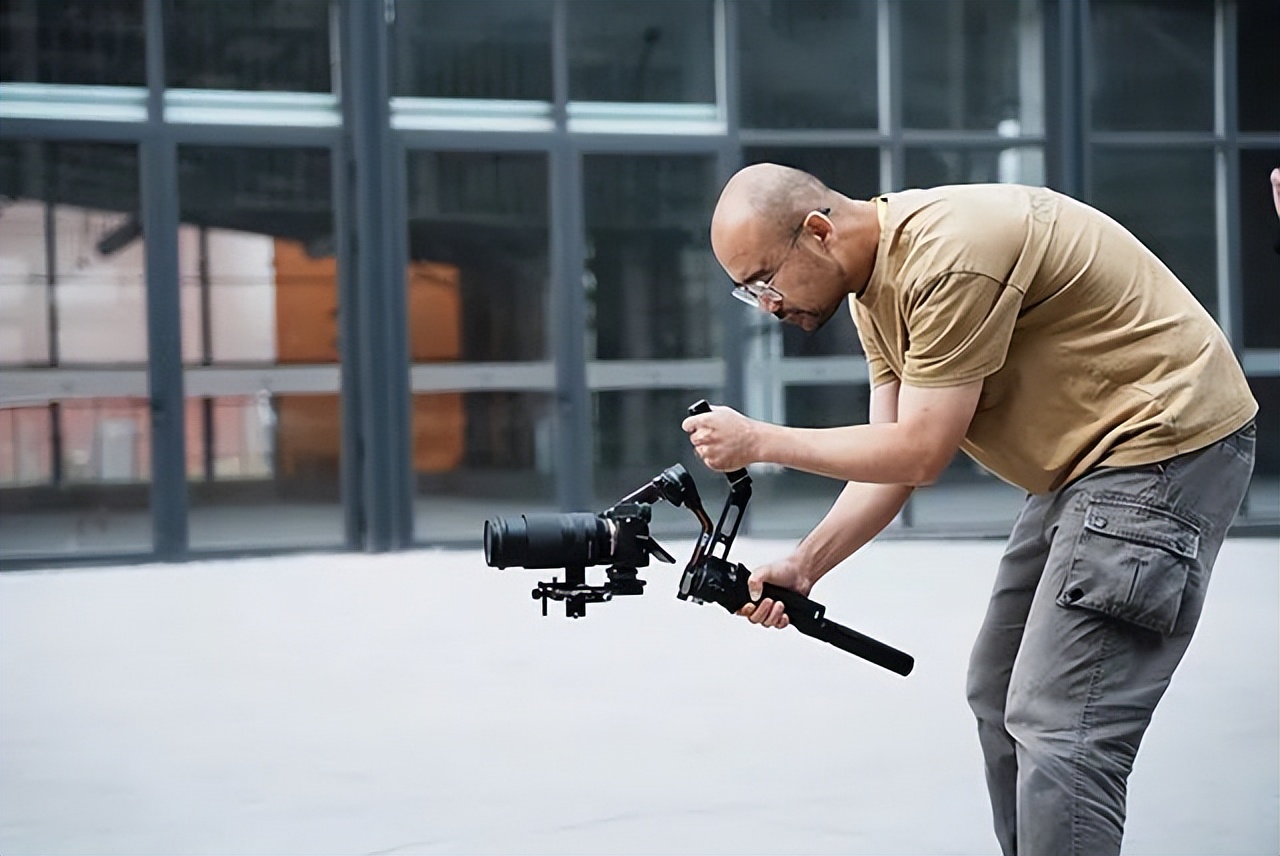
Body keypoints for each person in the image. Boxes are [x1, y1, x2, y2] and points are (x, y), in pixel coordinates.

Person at [682, 163, 1257, 856]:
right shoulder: (875, 292)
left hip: (1161, 450)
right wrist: (806, 564)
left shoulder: (949, 258)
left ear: (818, 231)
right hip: (1083, 470)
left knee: (1059, 724)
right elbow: (892, 464)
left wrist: (762, 440)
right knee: (997, 691)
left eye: (763, 281)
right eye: (749, 293)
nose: (768, 306)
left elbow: (922, 451)